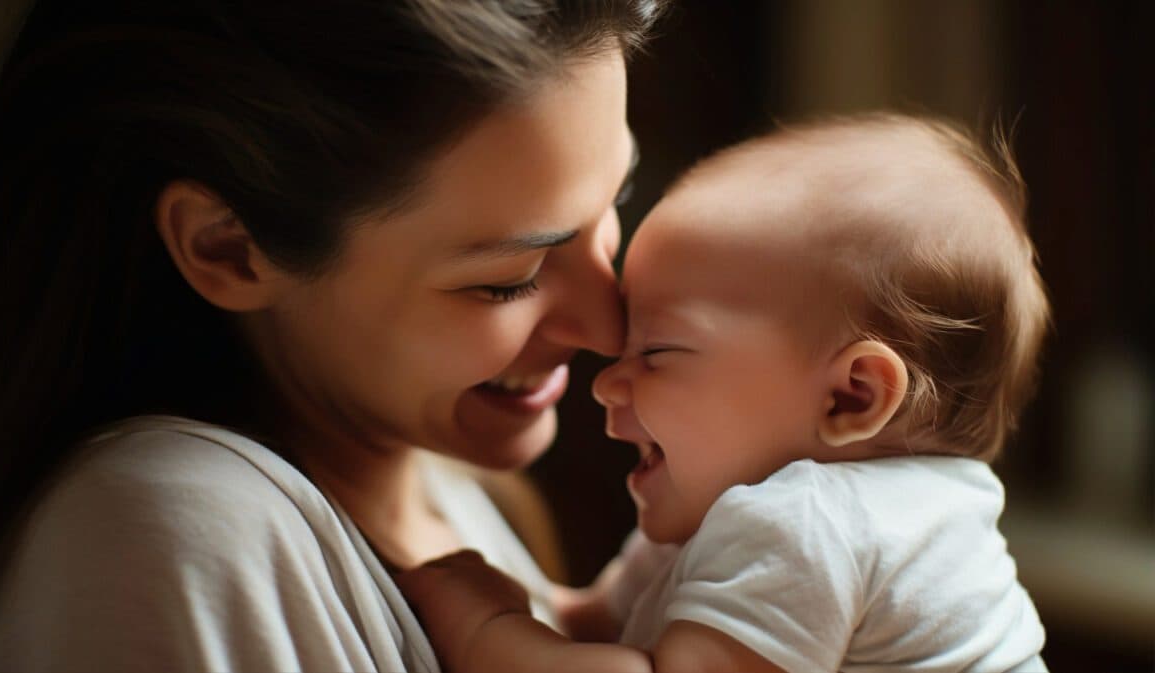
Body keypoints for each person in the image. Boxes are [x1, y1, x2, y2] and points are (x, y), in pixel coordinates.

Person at [0, 1, 668, 670]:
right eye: (511, 276)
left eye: (616, 202)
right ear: (226, 248)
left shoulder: (451, 498)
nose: (610, 326)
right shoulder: (174, 528)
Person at [398, 113, 1051, 673]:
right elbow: (594, 630)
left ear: (851, 397)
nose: (605, 380)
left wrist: (483, 630)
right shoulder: (726, 512)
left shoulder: (809, 521)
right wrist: (525, 604)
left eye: (657, 351)